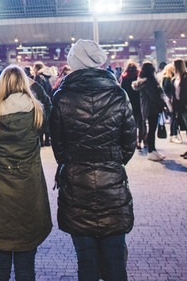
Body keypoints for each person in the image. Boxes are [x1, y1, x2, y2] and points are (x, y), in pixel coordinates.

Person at [51, 39, 137, 281]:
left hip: (77, 184)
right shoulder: (117, 93)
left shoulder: (62, 96)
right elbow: (129, 141)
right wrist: (111, 162)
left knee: (86, 263)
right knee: (115, 262)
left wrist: (75, 160)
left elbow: (58, 145)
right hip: (112, 186)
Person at [0, 65, 52, 281]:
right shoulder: (36, 112)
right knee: (26, 267)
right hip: (28, 193)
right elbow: (50, 113)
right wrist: (35, 86)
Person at [132, 62, 167, 161]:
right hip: (153, 108)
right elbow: (154, 96)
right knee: (152, 130)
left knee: (151, 129)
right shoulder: (149, 82)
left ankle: (153, 150)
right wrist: (162, 105)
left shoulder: (143, 82)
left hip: (147, 108)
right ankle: (151, 151)